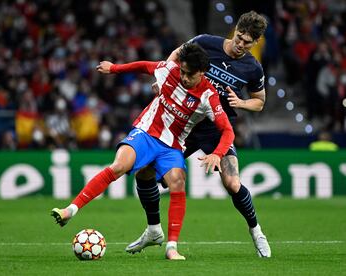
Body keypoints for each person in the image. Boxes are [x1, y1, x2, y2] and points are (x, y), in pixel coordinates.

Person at [51, 43, 235, 260]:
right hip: (147, 132)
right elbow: (144, 66)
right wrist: (115, 69)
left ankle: (171, 247)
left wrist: (218, 153)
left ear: (202, 72)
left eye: (190, 74)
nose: (184, 77)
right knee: (119, 166)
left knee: (177, 181)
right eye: (183, 72)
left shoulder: (208, 96)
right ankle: (69, 211)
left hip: (173, 145)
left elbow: (228, 131)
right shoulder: (170, 70)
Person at [129, 10, 272, 258]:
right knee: (144, 172)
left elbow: (260, 101)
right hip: (183, 125)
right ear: (235, 29)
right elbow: (176, 55)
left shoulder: (252, 67)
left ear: (256, 42)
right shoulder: (206, 42)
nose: (240, 45)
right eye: (239, 37)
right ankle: (153, 230)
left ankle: (256, 232)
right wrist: (166, 79)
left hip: (216, 129)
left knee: (232, 182)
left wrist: (241, 102)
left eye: (247, 43)